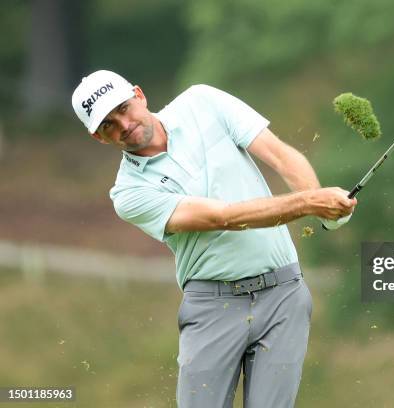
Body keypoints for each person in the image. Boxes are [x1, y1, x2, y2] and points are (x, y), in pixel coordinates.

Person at [71, 70, 357, 407]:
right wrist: (309, 203)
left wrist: (326, 208)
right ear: (99, 137)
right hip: (212, 307)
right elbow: (225, 218)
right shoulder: (128, 193)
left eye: (123, 108)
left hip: (284, 295)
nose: (123, 124)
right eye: (108, 125)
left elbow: (279, 155)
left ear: (139, 95)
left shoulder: (202, 102)